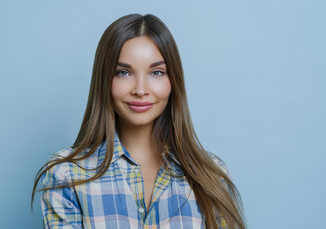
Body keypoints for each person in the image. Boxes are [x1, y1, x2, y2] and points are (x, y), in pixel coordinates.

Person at [32, 13, 246, 229]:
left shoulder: (211, 176)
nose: (141, 90)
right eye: (123, 72)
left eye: (157, 72)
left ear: (173, 81)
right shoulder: (67, 176)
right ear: (104, 79)